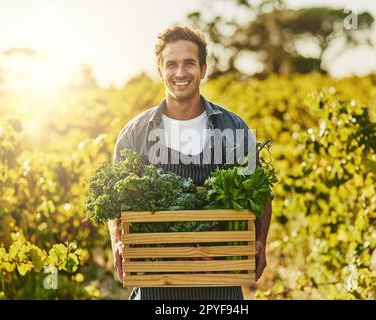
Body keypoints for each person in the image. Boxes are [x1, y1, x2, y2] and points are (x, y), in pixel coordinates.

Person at [108, 26, 272, 300]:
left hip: (220, 285)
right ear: (160, 71)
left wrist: (259, 241)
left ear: (204, 69)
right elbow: (114, 199)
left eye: (189, 63)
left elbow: (261, 193)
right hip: (154, 288)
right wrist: (117, 241)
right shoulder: (136, 133)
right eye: (171, 64)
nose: (180, 73)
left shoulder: (233, 128)